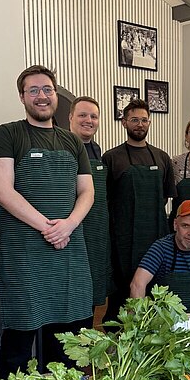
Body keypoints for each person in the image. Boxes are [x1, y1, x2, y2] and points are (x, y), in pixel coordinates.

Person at [0, 65, 94, 378]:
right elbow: (2, 191)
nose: (41, 96)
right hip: (25, 255)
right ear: (22, 97)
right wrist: (49, 227)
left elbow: (87, 191)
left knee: (65, 342)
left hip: (68, 251)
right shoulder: (7, 134)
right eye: (33, 90)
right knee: (19, 339)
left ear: (55, 95)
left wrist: (69, 224)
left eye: (46, 89)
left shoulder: (72, 141)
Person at [103, 98, 176, 317]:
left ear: (150, 123)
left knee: (156, 292)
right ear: (124, 122)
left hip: (156, 237)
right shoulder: (111, 158)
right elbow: (105, 200)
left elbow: (165, 197)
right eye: (134, 120)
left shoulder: (162, 157)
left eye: (144, 120)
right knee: (122, 296)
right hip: (123, 241)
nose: (140, 124)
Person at [69, 95, 112, 309]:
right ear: (70, 118)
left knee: (94, 288)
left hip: (96, 231)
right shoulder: (64, 148)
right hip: (74, 229)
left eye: (94, 116)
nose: (89, 120)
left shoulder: (97, 150)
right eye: (83, 115)